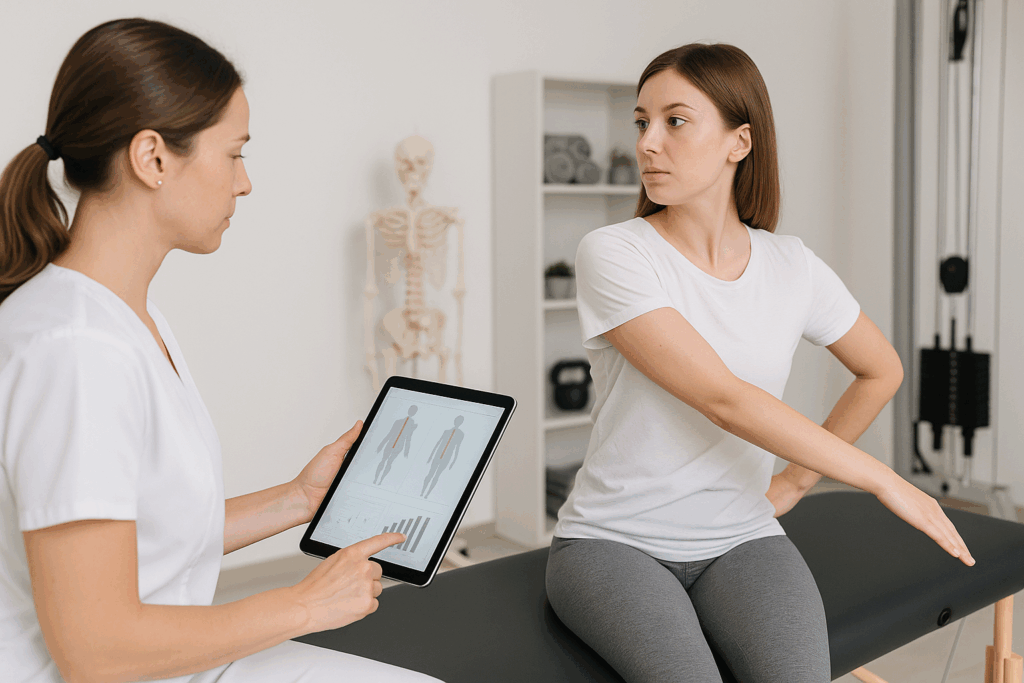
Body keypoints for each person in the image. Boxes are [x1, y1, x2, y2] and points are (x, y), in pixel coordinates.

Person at [0, 17, 445, 683]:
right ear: (152, 158)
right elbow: (94, 649)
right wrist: (302, 602)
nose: (245, 182)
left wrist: (298, 498)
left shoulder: (122, 317)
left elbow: (149, 536)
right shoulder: (76, 350)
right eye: (234, 152)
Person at [544, 43, 975, 683]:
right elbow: (725, 398)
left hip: (742, 539)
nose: (648, 144)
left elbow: (881, 369)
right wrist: (885, 479)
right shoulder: (614, 253)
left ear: (738, 142)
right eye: (642, 122)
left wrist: (796, 482)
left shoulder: (791, 265)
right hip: (613, 544)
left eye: (675, 121)